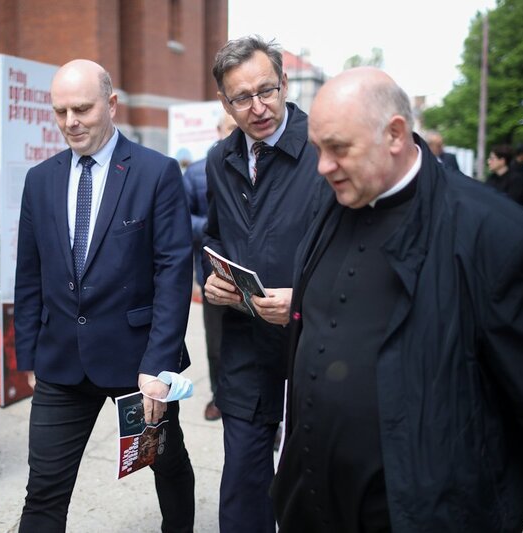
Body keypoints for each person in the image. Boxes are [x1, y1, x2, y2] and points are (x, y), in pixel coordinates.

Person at [271, 66, 523, 532]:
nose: (323, 167)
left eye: (338, 148)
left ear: (394, 134)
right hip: (313, 505)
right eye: (318, 149)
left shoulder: (497, 235)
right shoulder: (332, 202)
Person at [13, 59, 195, 532]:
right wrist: (29, 354)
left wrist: (160, 366)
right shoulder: (40, 180)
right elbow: (29, 273)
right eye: (59, 111)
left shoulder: (156, 172)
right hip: (60, 365)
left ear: (111, 105)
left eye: (82, 109)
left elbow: (173, 273)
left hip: (140, 366)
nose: (70, 122)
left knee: (166, 463)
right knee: (44, 491)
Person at [202, 35, 322, 532]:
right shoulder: (219, 159)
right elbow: (213, 234)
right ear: (224, 103)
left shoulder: (324, 149)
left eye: (266, 91)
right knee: (244, 476)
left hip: (317, 344)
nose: (258, 108)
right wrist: (214, 278)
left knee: (313, 478)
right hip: (245, 344)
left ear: (285, 83)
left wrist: (304, 300)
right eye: (242, 98)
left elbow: (361, 251)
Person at [182, 113, 238, 421]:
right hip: (213, 274)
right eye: (229, 128)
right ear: (218, 130)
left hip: (255, 277)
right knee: (216, 342)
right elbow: (181, 219)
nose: (234, 133)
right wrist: (217, 228)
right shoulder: (195, 173)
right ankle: (220, 396)